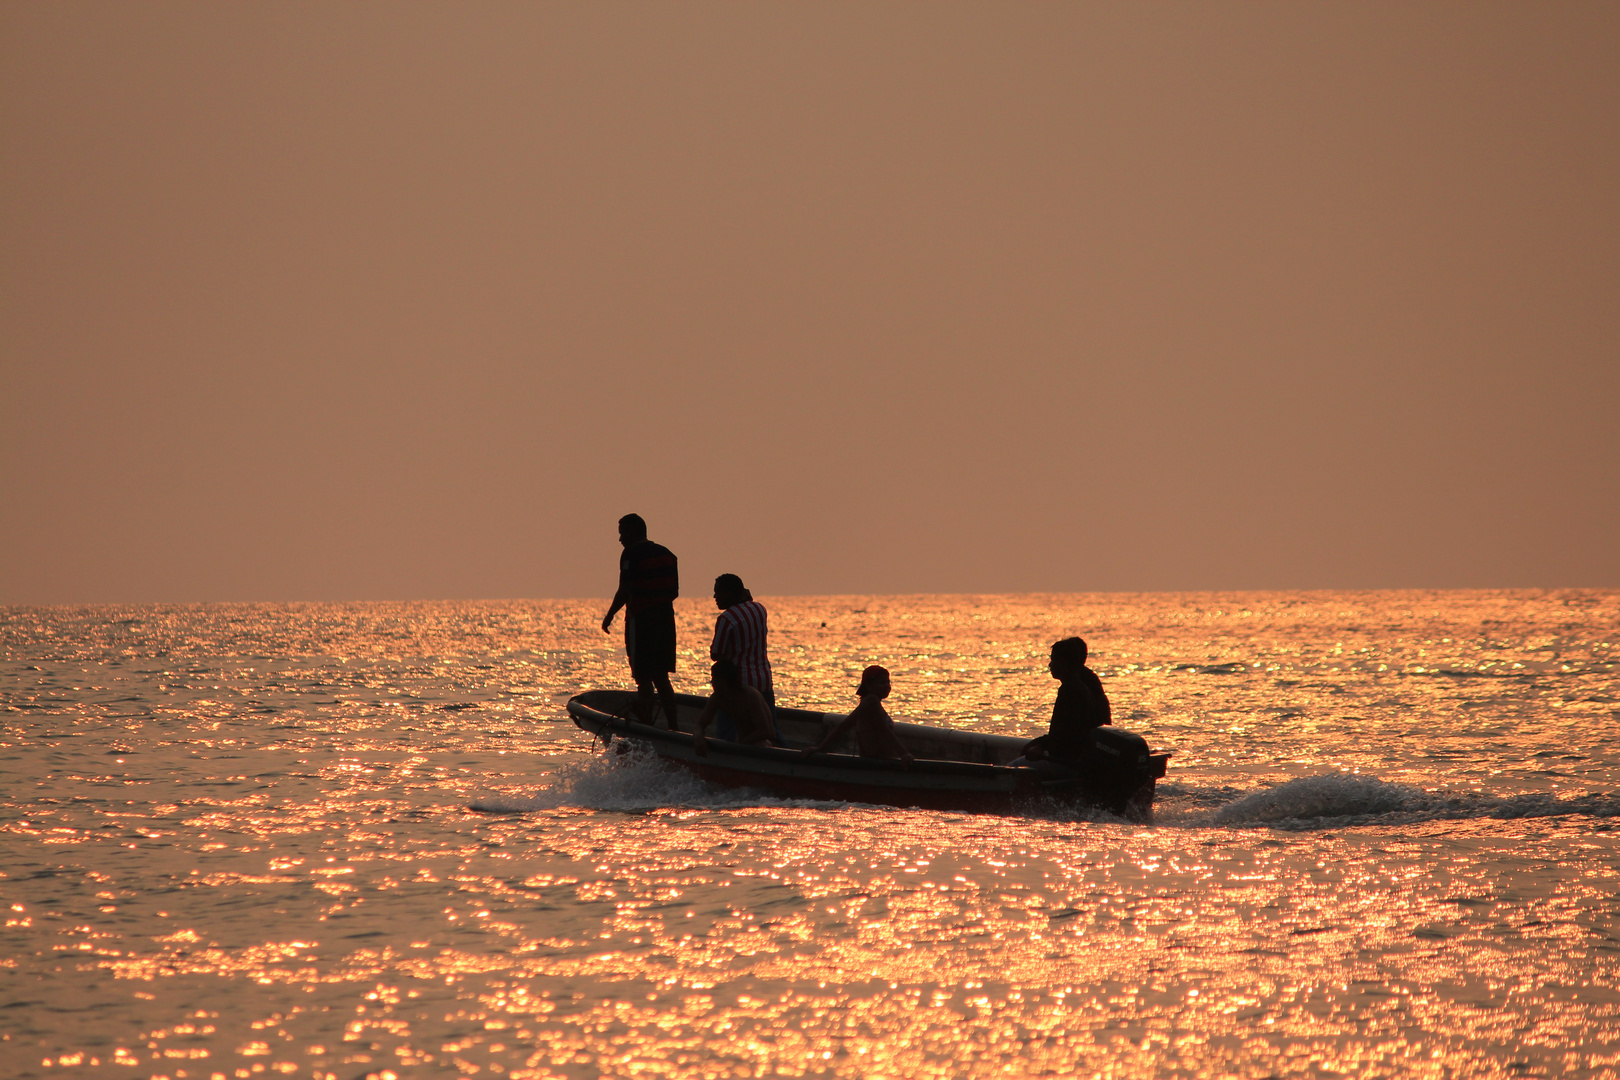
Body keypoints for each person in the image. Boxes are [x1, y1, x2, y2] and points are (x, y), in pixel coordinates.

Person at [600, 513, 679, 729]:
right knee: (661, 677)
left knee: (643, 677)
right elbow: (674, 592)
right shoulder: (668, 555)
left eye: (622, 533)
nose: (620, 539)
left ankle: (646, 725)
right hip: (665, 621)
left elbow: (625, 590)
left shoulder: (631, 554)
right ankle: (673, 726)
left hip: (642, 621)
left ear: (633, 532)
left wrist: (610, 615)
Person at [1014, 636, 1111, 769]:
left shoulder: (1071, 690)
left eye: (1053, 660)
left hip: (1066, 761)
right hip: (1077, 757)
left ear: (1063, 662)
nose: (1050, 665)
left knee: (1012, 770)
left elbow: (1064, 737)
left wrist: (1040, 747)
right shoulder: (1083, 684)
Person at [803, 665, 914, 765]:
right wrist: (903, 753)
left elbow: (843, 726)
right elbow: (884, 731)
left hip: (876, 761)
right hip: (876, 764)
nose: (887, 686)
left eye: (888, 682)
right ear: (869, 685)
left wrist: (821, 748)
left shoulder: (867, 702)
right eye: (882, 683)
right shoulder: (872, 702)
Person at [710, 573, 774, 705]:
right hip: (764, 680)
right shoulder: (760, 609)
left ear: (729, 593)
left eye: (718, 592)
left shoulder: (726, 618)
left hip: (739, 684)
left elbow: (716, 654)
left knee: (729, 724)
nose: (715, 597)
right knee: (768, 722)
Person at [692, 660, 778, 756]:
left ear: (724, 681)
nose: (712, 682)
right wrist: (698, 737)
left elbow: (766, 731)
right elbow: (699, 724)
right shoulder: (718, 698)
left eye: (715, 679)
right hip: (742, 742)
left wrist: (740, 744)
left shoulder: (750, 696)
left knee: (762, 744)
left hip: (765, 743)